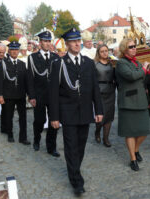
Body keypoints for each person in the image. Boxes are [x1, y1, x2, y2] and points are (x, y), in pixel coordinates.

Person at [49, 28, 103, 196]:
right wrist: (54, 117)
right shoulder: (59, 63)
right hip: (68, 112)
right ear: (67, 44)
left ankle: (74, 169)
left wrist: (99, 110)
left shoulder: (88, 62)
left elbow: (95, 88)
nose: (77, 43)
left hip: (85, 111)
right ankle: (76, 181)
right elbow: (53, 93)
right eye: (73, 41)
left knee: (80, 146)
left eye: (78, 40)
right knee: (71, 147)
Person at [115, 38, 150, 171]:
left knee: (144, 130)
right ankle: (132, 159)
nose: (134, 48)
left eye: (135, 46)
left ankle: (135, 149)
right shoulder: (121, 63)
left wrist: (149, 71)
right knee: (129, 132)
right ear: (124, 49)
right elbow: (132, 76)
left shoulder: (137, 62)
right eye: (131, 47)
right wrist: (145, 69)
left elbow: (142, 78)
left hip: (141, 99)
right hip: (128, 101)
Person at [27, 31, 60, 157]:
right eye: (45, 41)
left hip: (53, 96)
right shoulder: (33, 58)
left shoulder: (55, 57)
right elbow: (30, 78)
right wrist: (32, 96)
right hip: (39, 94)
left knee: (54, 121)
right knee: (39, 120)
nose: (47, 44)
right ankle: (36, 139)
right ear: (40, 43)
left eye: (48, 41)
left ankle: (51, 147)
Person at [0, 40, 32, 145]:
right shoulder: (3, 63)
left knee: (23, 118)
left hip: (21, 95)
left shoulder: (22, 64)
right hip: (8, 95)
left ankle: (23, 137)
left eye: (16, 50)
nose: (14, 52)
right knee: (9, 116)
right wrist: (0, 95)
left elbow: (26, 80)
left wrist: (29, 94)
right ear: (9, 51)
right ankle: (10, 134)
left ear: (19, 51)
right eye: (12, 50)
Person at [94, 44, 116, 147]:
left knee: (109, 116)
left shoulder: (112, 63)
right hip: (99, 92)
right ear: (98, 53)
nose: (104, 53)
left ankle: (106, 138)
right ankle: (97, 131)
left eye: (106, 51)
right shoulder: (95, 64)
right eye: (102, 51)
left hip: (111, 91)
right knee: (101, 116)